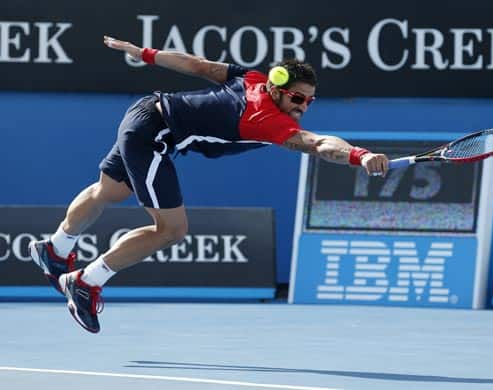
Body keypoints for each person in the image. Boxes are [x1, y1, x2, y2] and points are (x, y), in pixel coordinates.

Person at [28, 36, 389, 333]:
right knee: (171, 230)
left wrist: (148, 55)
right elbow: (317, 143)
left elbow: (197, 65)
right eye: (297, 98)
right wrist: (358, 155)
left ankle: (56, 248)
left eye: (309, 101)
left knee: (110, 190)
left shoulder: (251, 79)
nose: (303, 108)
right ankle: (87, 281)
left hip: (145, 112)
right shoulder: (265, 119)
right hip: (154, 135)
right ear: (276, 88)